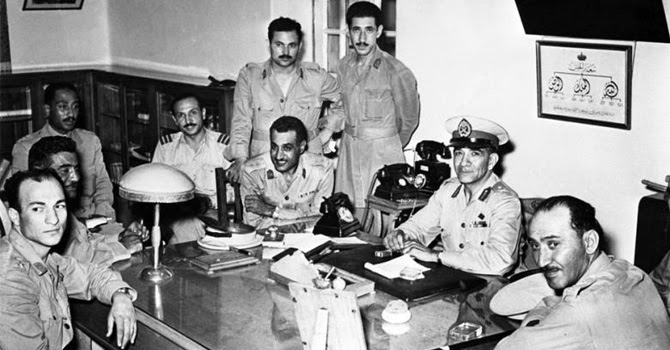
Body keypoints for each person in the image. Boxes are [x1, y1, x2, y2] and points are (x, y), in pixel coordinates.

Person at [495, 196, 670, 349]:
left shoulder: (577, 312)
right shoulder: (632, 272)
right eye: (535, 246)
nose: (542, 261)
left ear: (590, 242)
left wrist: (537, 322)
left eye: (553, 244)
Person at [0, 169, 138, 349]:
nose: (54, 219)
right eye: (37, 208)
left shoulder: (44, 258)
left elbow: (92, 275)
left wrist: (121, 295)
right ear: (15, 217)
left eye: (59, 206)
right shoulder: (10, 280)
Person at [384, 116, 521, 276]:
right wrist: (400, 235)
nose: (464, 162)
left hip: (493, 284)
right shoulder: (448, 191)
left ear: (491, 160)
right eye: (459, 153)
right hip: (454, 279)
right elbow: (419, 227)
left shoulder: (505, 201)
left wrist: (436, 256)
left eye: (474, 154)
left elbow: (500, 261)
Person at [225, 17, 344, 183]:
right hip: (264, 160)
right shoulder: (250, 76)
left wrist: (327, 131)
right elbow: (241, 120)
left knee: (309, 208)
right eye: (279, 44)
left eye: (292, 45)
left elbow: (345, 101)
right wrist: (239, 158)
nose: (285, 51)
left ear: (300, 46)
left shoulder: (316, 77)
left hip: (307, 162)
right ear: (270, 45)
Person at [334, 1, 420, 217]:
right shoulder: (344, 66)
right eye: (356, 30)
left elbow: (408, 119)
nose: (362, 38)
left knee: (381, 218)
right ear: (348, 32)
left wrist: (388, 144)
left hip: (382, 154)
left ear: (379, 31)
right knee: (347, 214)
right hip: (349, 153)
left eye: (369, 30)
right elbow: (343, 107)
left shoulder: (397, 71)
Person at [28, 136, 147, 266]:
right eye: (65, 170)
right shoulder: (36, 213)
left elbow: (83, 241)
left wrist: (119, 238)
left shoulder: (58, 206)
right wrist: (122, 247)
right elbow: (69, 259)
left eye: (76, 169)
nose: (76, 178)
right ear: (39, 171)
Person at [9, 82, 115, 219]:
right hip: (52, 222)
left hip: (93, 217)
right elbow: (22, 197)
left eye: (75, 106)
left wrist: (101, 215)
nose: (71, 113)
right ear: (47, 110)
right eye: (63, 107)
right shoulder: (26, 148)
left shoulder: (90, 141)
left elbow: (103, 185)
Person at [152, 93, 232, 243]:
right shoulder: (166, 147)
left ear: (203, 113)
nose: (188, 120)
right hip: (176, 211)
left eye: (193, 113)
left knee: (184, 231)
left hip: (213, 211)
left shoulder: (223, 146)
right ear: (175, 119)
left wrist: (209, 202)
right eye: (181, 115)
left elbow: (236, 189)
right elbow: (155, 189)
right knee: (185, 226)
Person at [240, 116, 334, 229]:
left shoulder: (322, 169)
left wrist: (272, 211)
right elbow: (254, 225)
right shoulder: (251, 172)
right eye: (274, 147)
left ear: (302, 147)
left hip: (308, 240)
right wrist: (300, 218)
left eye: (287, 148)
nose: (278, 156)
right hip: (267, 241)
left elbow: (321, 220)